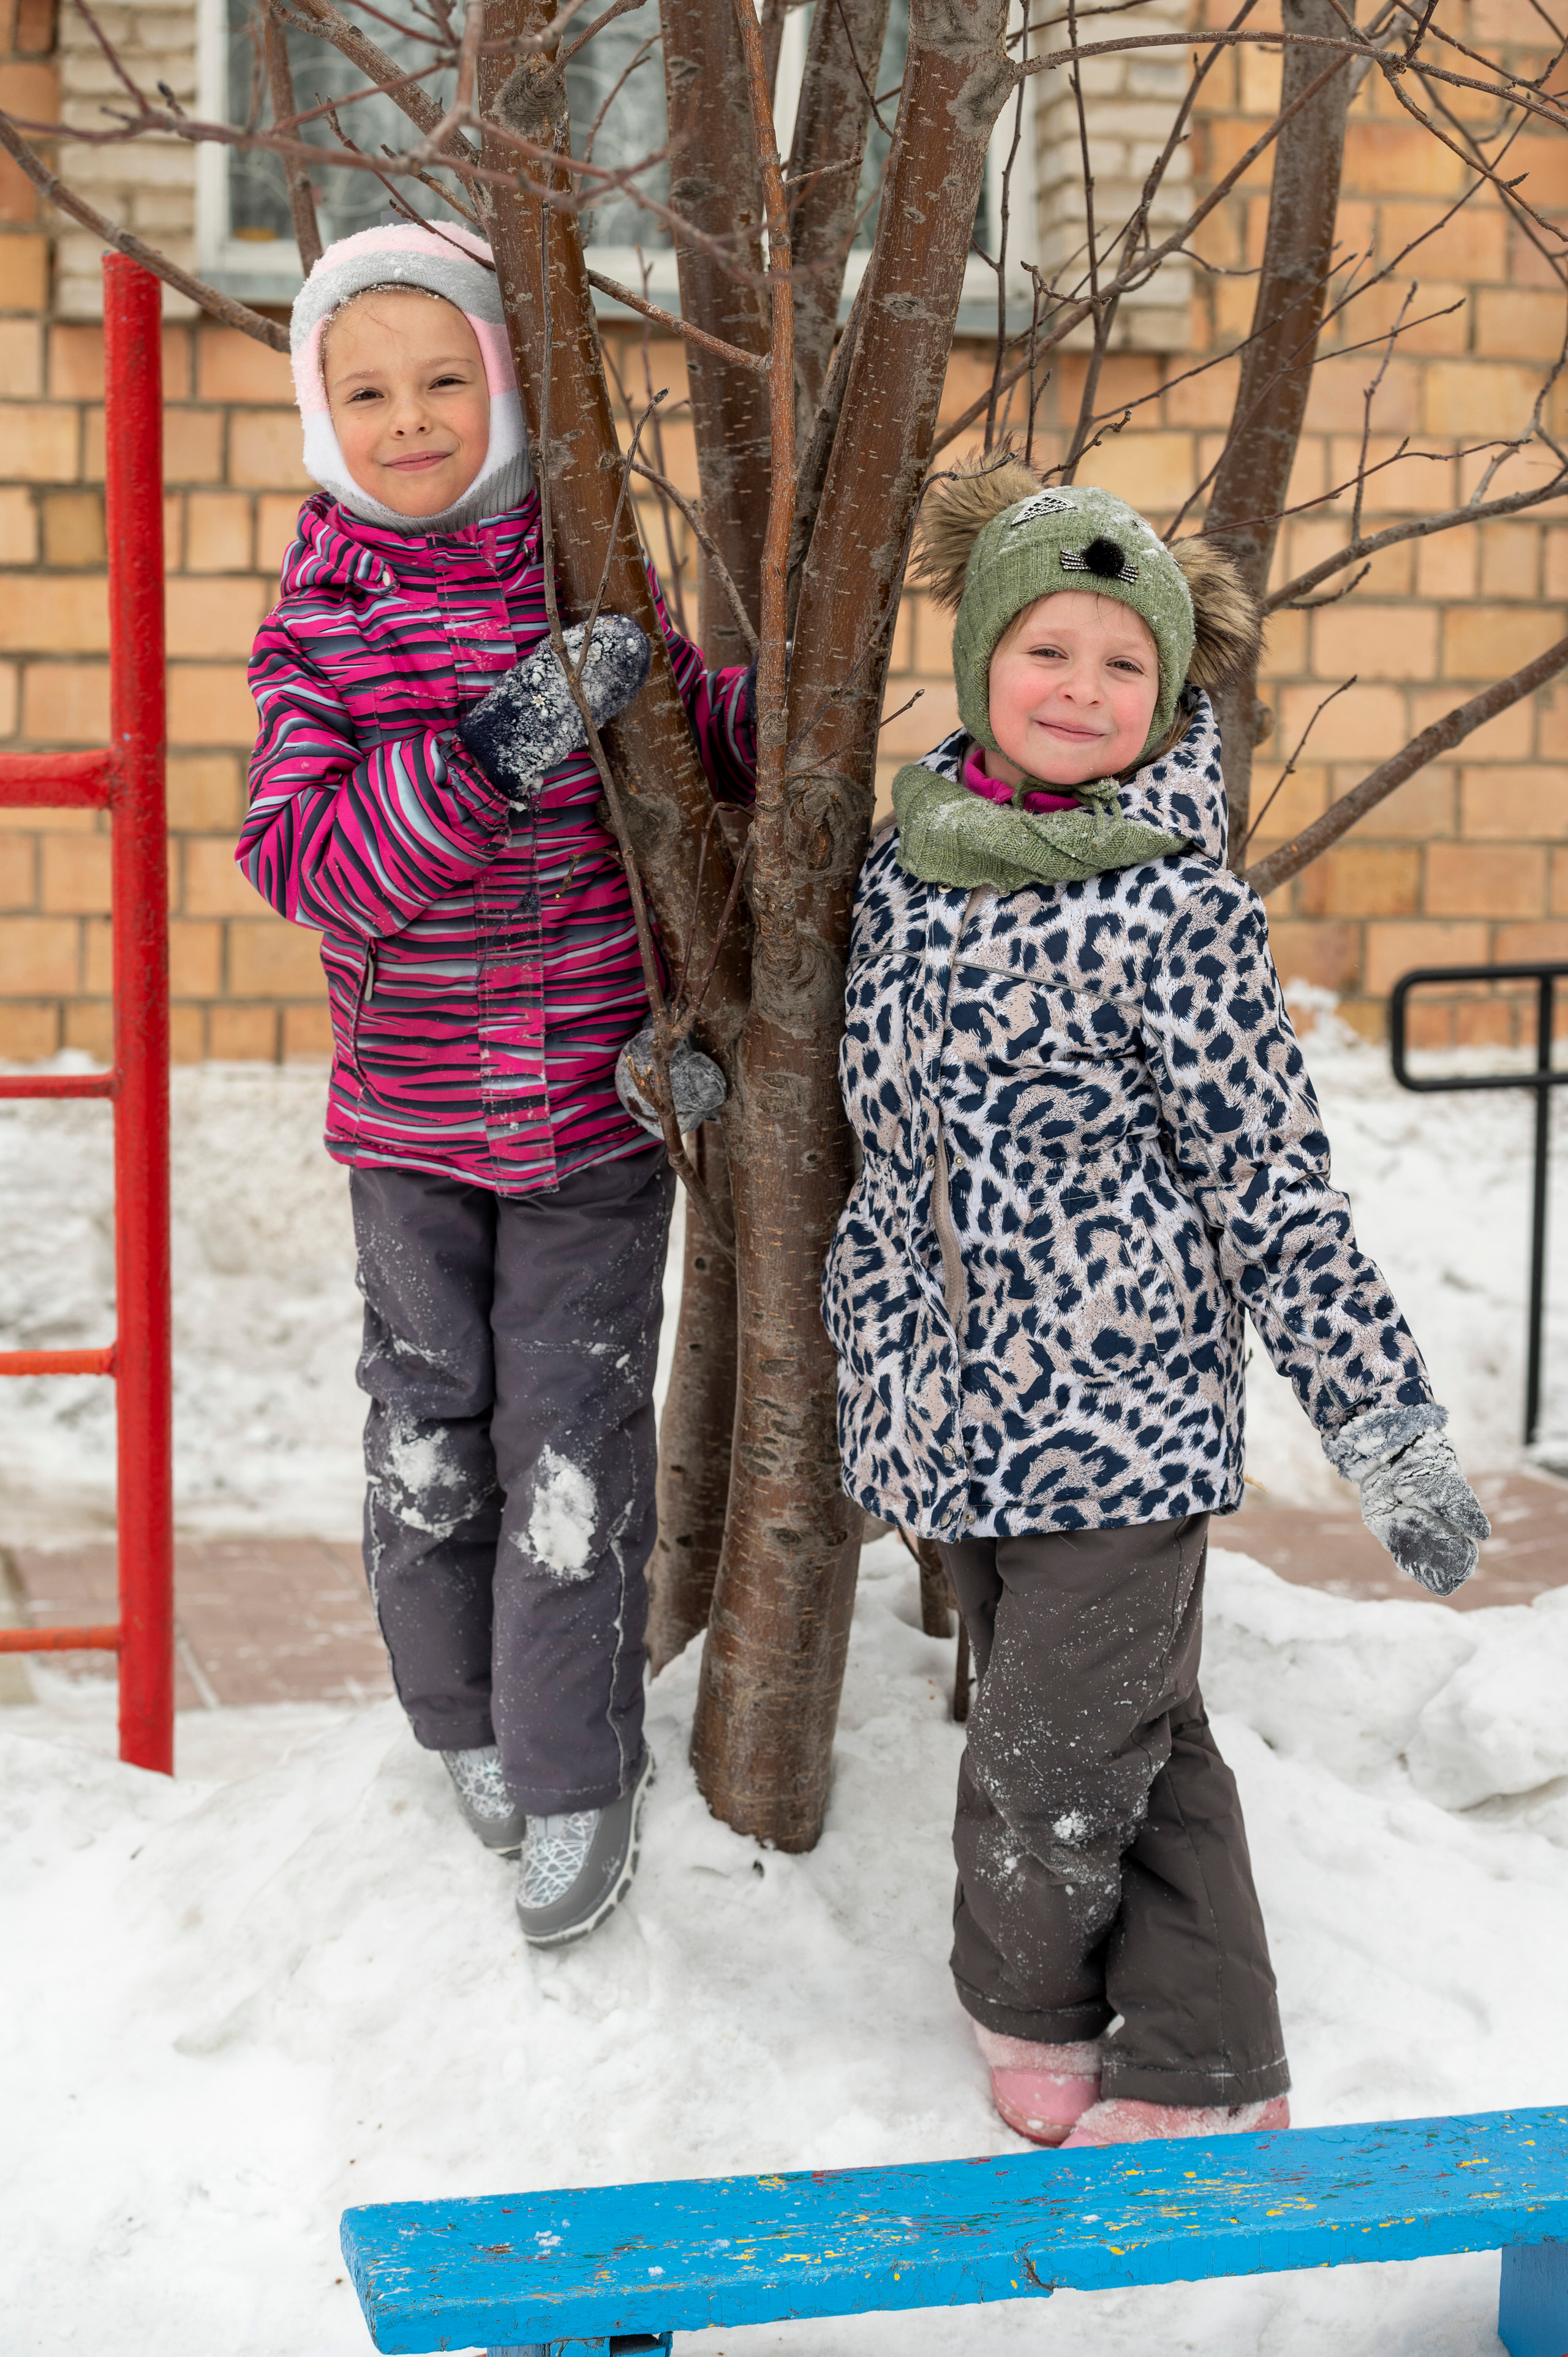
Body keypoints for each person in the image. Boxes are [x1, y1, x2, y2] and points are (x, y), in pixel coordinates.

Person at [822, 457, 1490, 2149]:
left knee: (1054, 1751)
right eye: (1050, 649)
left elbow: (1275, 1179)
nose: (1083, 689)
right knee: (1135, 1730)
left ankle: (1031, 2011)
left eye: (1126, 665)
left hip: (1121, 1413)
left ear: (1170, 697)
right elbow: (860, 1107)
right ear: (981, 659)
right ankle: (1210, 2060)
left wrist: (1382, 1421)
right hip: (954, 1411)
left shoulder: (1177, 908)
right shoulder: (906, 871)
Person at [236, 222, 752, 1948]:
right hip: (413, 1126)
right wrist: (490, 750)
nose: (409, 420)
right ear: (322, 418)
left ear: (511, 387)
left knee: (574, 1446)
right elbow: (309, 864)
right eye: (368, 393)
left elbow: (682, 735)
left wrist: (781, 724)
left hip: (596, 1111)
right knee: (430, 1427)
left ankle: (572, 1769)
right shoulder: (322, 624)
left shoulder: (582, 559)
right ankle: (457, 1715)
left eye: (445, 380)